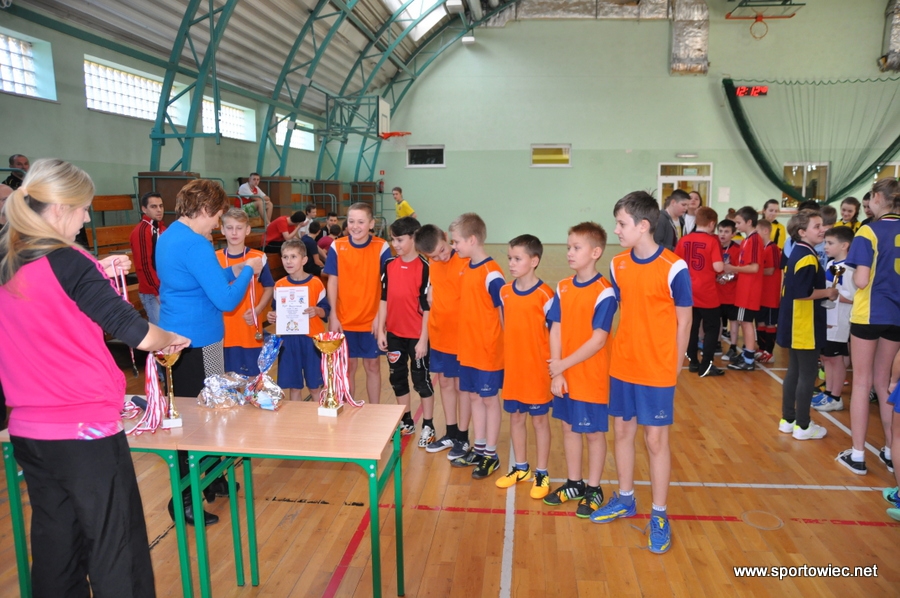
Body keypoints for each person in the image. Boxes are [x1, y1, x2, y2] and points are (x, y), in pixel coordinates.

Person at [0, 158, 190, 597]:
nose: (87, 218)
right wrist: (170, 337)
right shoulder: (69, 262)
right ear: (60, 208)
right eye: (83, 208)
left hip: (30, 432)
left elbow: (46, 299)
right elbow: (138, 333)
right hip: (84, 433)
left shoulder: (10, 260)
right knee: (116, 548)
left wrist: (97, 269)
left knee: (56, 547)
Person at [589, 191, 692, 557]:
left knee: (655, 441)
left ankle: (660, 514)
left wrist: (674, 367)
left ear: (643, 225)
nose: (616, 230)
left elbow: (684, 321)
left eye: (621, 224)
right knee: (622, 432)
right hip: (623, 364)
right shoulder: (617, 265)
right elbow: (617, 307)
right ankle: (626, 498)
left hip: (657, 369)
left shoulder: (674, 267)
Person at [157, 178, 263, 526]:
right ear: (204, 209)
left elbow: (197, 280)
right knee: (197, 422)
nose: (218, 224)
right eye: (217, 216)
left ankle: (213, 478)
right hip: (197, 344)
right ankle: (184, 499)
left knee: (207, 413)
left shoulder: (171, 234)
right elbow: (226, 300)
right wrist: (249, 270)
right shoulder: (196, 244)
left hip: (185, 340)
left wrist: (230, 270)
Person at [545, 224, 617, 516]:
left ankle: (594, 488)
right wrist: (558, 369)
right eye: (568, 247)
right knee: (568, 427)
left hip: (591, 377)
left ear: (595, 252)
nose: (570, 253)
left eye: (577, 248)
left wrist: (562, 364)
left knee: (593, 433)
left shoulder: (605, 292)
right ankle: (574, 482)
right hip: (565, 374)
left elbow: (598, 340)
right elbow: (556, 329)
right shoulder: (563, 286)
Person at [838, 178, 900, 475]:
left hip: (869, 314)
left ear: (876, 197)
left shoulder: (868, 230)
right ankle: (890, 450)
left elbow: (861, 281)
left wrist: (850, 278)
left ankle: (858, 454)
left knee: (861, 383)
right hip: (896, 316)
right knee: (884, 381)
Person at [496, 234, 555, 499]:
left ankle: (542, 472)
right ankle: (521, 468)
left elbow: (555, 334)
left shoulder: (545, 295)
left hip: (537, 371)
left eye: (517, 258)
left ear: (534, 261)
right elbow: (506, 325)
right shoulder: (505, 292)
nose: (511, 263)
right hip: (514, 371)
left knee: (540, 421)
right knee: (516, 418)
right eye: (510, 258)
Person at [448, 213, 505, 479]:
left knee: (489, 400)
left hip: (487, 351)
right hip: (468, 349)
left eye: (456, 241)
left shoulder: (492, 273)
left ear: (472, 240)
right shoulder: (466, 267)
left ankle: (491, 455)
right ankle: (479, 448)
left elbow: (504, 311)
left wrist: (507, 346)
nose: (454, 246)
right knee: (473, 397)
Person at [776, 210, 834, 440]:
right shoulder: (807, 257)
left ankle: (788, 420)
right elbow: (803, 292)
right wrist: (828, 292)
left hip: (795, 321)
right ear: (802, 232)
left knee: (794, 371)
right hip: (804, 323)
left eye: (822, 225)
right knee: (807, 375)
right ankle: (803, 425)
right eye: (816, 226)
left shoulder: (799, 252)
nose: (822, 229)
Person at [415, 224, 472, 460]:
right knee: (446, 384)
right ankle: (451, 432)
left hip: (462, 337)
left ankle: (463, 436)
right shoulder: (433, 264)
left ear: (446, 238)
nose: (440, 257)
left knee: (462, 387)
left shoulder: (466, 260)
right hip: (440, 335)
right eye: (433, 256)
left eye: (441, 250)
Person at [324, 202, 390, 404]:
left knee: (373, 366)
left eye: (361, 222)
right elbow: (332, 281)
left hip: (371, 321)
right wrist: (334, 315)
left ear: (371, 224)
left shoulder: (382, 247)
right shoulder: (337, 246)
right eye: (351, 221)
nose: (355, 226)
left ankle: (374, 410)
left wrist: (379, 319)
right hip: (344, 320)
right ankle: (349, 409)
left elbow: (387, 286)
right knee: (348, 367)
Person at [376, 217, 434, 440]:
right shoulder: (389, 265)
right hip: (394, 335)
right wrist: (381, 330)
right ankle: (406, 421)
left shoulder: (426, 268)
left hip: (417, 337)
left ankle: (428, 425)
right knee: (397, 379)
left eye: (399, 240)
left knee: (421, 380)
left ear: (414, 238)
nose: (395, 244)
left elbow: (428, 308)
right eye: (392, 239)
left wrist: (423, 339)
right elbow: (384, 299)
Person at [267, 239, 328, 401]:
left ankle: (319, 416)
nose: (289, 261)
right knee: (294, 387)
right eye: (285, 257)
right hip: (289, 341)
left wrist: (317, 310)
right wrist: (272, 316)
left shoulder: (316, 283)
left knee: (315, 387)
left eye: (293, 256)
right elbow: (276, 311)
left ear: (304, 260)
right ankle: (296, 417)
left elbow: (326, 311)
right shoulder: (279, 285)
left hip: (311, 341)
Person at [217, 208, 274, 375]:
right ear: (222, 230)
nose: (234, 232)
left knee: (253, 381)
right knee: (227, 382)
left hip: (250, 331)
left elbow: (269, 287)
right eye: (229, 228)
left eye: (239, 228)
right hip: (223, 333)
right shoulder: (214, 258)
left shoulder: (258, 257)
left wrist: (258, 310)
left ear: (247, 230)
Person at [675, 206, 725, 378]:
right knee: (712, 328)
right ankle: (706, 365)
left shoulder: (684, 240)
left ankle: (693, 362)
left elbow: (676, 263)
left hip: (688, 290)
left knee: (691, 327)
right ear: (711, 224)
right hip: (707, 291)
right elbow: (718, 266)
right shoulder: (712, 241)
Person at [811, 226, 855, 412]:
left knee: (835, 359)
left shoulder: (849, 268)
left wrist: (831, 294)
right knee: (826, 358)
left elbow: (853, 297)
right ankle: (828, 392)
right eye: (825, 242)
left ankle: (836, 397)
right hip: (827, 319)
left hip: (839, 322)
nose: (825, 246)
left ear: (844, 245)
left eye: (830, 243)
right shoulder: (831, 264)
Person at [724, 206, 763, 371]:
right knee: (744, 322)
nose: (736, 226)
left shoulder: (754, 240)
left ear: (749, 222)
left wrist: (732, 268)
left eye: (739, 222)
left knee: (746, 323)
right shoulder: (748, 240)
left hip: (749, 289)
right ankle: (748, 355)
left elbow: (754, 267)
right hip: (745, 288)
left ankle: (748, 359)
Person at [129, 191, 167, 325]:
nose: (159, 210)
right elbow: (144, 265)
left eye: (161, 206)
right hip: (153, 292)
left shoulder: (162, 228)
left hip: (165, 288)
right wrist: (156, 291)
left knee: (171, 332)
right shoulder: (141, 231)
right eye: (153, 206)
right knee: (160, 331)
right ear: (144, 209)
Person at [755, 219, 782, 364]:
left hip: (771, 294)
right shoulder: (761, 248)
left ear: (765, 231)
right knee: (760, 322)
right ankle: (761, 348)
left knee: (770, 323)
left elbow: (770, 270)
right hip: (761, 293)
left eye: (757, 232)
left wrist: (753, 271)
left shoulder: (773, 248)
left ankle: (769, 352)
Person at [717, 219, 741, 359]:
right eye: (720, 231)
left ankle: (733, 347)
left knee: (733, 321)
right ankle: (717, 344)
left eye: (726, 232)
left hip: (732, 292)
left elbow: (739, 270)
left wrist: (726, 278)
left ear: (733, 234)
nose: (722, 234)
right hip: (717, 292)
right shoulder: (715, 247)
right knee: (718, 319)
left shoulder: (737, 250)